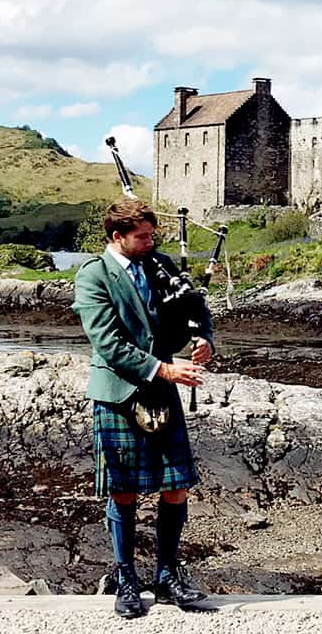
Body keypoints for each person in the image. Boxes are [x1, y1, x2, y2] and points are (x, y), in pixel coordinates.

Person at [72, 198, 213, 619]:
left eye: (153, 235)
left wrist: (203, 338)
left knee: (176, 486)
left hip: (161, 389)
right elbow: (108, 343)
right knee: (123, 490)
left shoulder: (159, 264)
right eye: (143, 236)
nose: (151, 242)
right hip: (119, 392)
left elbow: (194, 306)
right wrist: (164, 370)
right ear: (118, 236)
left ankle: (167, 576)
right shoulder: (93, 275)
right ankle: (126, 578)